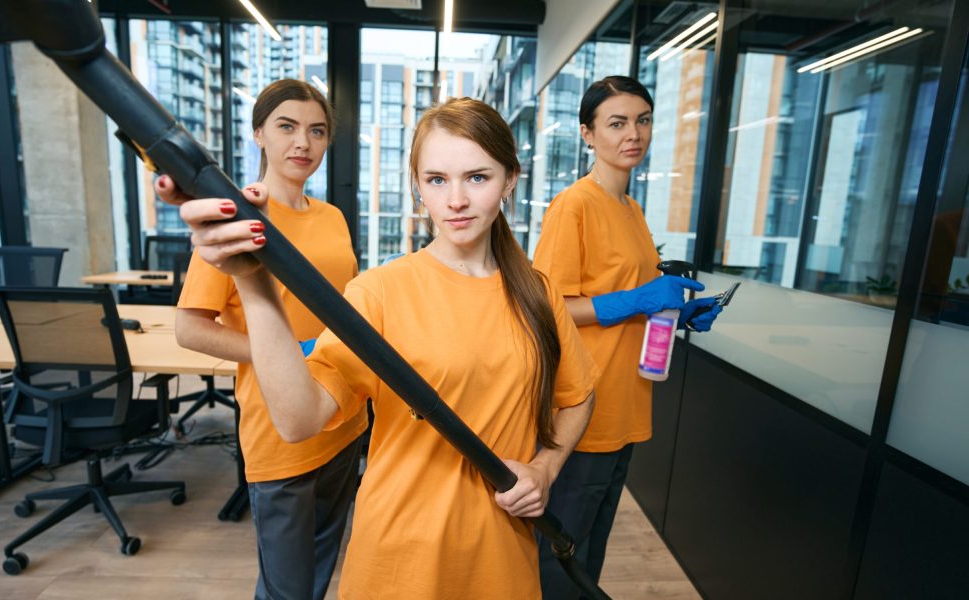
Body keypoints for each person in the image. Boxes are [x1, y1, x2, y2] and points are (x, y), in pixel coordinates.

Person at [171, 97, 599, 599]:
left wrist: (545, 469)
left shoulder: (538, 292)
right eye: (437, 180)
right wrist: (255, 286)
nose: (456, 200)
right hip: (401, 557)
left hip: (502, 555)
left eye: (477, 177)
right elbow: (297, 419)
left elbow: (578, 396)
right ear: (418, 187)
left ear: (509, 179)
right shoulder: (380, 292)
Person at [161, 79, 366, 600]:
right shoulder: (234, 217)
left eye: (317, 131)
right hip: (279, 428)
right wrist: (286, 354)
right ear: (260, 134)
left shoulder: (333, 218)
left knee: (319, 569)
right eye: (287, 127)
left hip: (341, 417)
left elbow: (347, 309)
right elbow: (189, 328)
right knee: (286, 589)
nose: (303, 142)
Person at [531, 76, 723, 599]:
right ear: (588, 134)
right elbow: (548, 309)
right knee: (562, 550)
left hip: (627, 400)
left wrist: (678, 312)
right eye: (616, 123)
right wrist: (635, 301)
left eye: (642, 120)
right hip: (584, 403)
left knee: (592, 546)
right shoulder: (575, 205)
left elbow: (627, 294)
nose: (632, 133)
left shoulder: (631, 210)